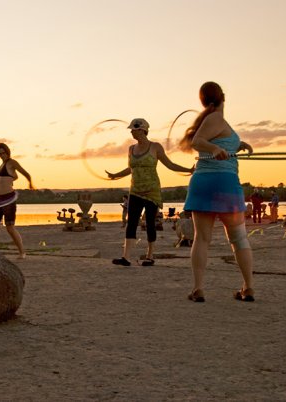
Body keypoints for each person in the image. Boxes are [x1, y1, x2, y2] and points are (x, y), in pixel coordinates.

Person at [179, 81, 255, 303]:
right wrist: (214, 148)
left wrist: (237, 144)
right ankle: (248, 287)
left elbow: (215, 140)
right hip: (225, 183)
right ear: (224, 96)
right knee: (239, 238)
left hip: (206, 182)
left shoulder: (216, 121)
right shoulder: (216, 118)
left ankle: (198, 289)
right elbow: (198, 142)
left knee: (202, 238)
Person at [106, 118, 194, 267]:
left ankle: (150, 255)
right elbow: (131, 168)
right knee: (131, 223)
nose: (131, 132)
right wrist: (116, 175)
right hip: (135, 190)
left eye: (133, 129)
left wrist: (188, 170)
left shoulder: (155, 147)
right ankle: (126, 257)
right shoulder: (130, 149)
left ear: (142, 130)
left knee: (150, 223)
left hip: (152, 191)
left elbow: (170, 164)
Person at [0, 143, 34, 259]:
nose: (2, 155)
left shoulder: (12, 162)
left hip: (8, 198)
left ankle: (22, 252)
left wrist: (30, 183)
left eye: (3, 153)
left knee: (9, 227)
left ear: (7, 152)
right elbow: (9, 177)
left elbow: (26, 173)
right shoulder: (1, 165)